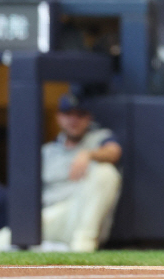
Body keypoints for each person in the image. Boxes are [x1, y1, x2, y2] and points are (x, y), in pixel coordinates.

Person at [40, 94, 122, 251]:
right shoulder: (47, 151)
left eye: (80, 115)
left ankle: (83, 247)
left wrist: (88, 154)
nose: (74, 120)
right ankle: (54, 248)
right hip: (52, 216)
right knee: (1, 240)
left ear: (89, 118)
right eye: (68, 114)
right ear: (58, 117)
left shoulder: (100, 138)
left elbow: (114, 152)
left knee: (106, 172)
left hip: (80, 215)